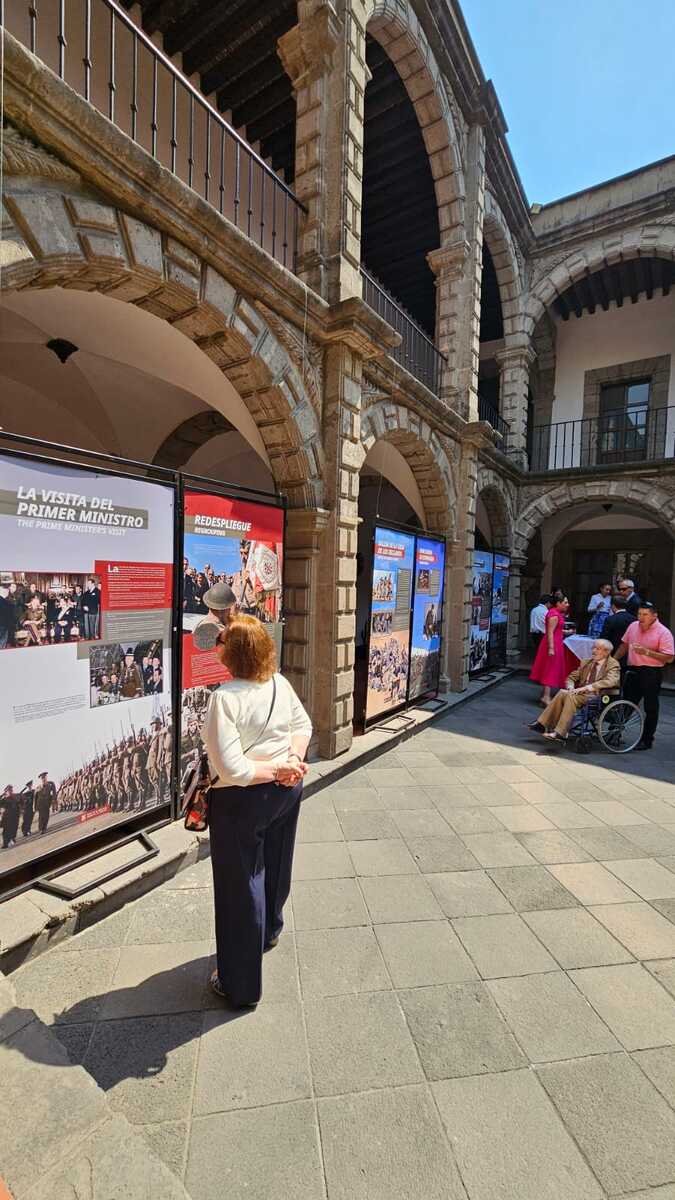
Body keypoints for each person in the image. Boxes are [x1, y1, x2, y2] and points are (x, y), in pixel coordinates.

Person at [202, 614, 312, 1010]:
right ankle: (269, 930)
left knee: (239, 884)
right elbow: (304, 725)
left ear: (230, 656)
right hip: (286, 791)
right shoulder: (279, 684)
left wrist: (282, 766)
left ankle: (240, 985)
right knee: (277, 861)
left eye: (221, 642)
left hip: (242, 800)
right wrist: (292, 763)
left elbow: (233, 770)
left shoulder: (224, 699)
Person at [528, 638, 620, 742]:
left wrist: (587, 687)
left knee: (570, 696)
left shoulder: (613, 664)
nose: (593, 651)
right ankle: (543, 724)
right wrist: (571, 687)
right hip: (581, 694)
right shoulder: (586, 662)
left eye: (597, 649)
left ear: (606, 652)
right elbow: (572, 677)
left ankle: (560, 732)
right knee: (563, 692)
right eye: (593, 648)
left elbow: (611, 681)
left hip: (598, 695)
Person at [615, 602, 674, 750]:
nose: (641, 618)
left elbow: (670, 658)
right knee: (627, 702)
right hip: (633, 669)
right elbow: (624, 645)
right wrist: (613, 661)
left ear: (654, 616)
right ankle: (615, 732)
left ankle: (647, 739)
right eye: (639, 614)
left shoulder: (663, 632)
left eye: (645, 615)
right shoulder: (633, 626)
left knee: (650, 707)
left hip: (651, 672)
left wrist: (647, 652)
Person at [529, 594, 570, 705]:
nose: (567, 604)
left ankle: (544, 695)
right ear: (558, 603)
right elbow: (550, 632)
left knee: (549, 668)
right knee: (550, 669)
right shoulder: (553, 614)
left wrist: (566, 632)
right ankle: (546, 696)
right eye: (565, 602)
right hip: (553, 644)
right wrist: (551, 648)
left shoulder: (555, 613)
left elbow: (554, 630)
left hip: (555, 643)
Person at [192, 581, 237, 652]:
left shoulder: (200, 625)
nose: (230, 610)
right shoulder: (221, 632)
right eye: (229, 607)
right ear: (223, 609)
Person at [602, 596, 633, 663]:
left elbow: (604, 639)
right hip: (629, 656)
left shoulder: (610, 619)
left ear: (613, 606)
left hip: (612, 655)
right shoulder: (634, 619)